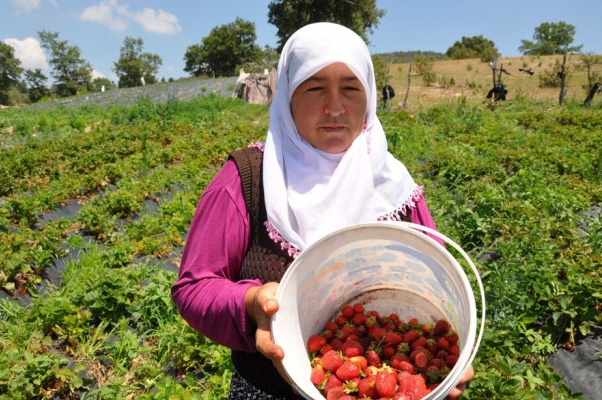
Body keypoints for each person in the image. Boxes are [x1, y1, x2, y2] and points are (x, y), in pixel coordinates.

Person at [171, 22, 474, 399]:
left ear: (370, 95)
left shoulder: (392, 184)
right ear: (286, 97)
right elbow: (194, 287)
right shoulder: (248, 178)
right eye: (314, 88)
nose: (334, 107)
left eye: (350, 88)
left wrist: (449, 359)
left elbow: (438, 279)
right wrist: (250, 303)